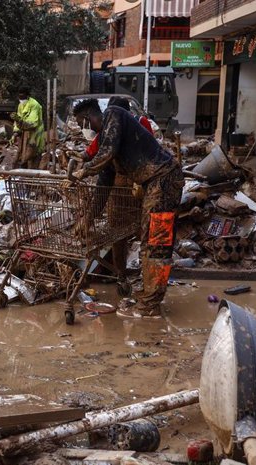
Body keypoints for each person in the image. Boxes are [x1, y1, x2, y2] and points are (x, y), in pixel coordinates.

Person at [73, 98, 184, 319]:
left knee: (156, 242)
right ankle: (149, 297)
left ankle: (151, 306)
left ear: (87, 119)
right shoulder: (108, 144)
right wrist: (88, 218)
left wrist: (84, 170)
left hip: (163, 178)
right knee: (149, 241)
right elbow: (102, 188)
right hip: (153, 183)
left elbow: (105, 152)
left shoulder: (114, 114)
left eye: (81, 124)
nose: (83, 129)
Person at [11, 87, 45, 168]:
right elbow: (18, 121)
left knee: (33, 156)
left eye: (22, 97)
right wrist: (15, 132)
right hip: (25, 134)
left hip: (35, 134)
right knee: (22, 154)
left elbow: (32, 124)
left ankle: (33, 175)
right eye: (19, 97)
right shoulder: (20, 105)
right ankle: (23, 171)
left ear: (27, 96)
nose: (21, 99)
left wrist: (19, 121)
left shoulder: (34, 105)